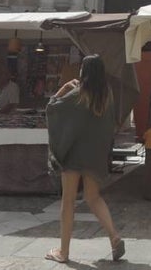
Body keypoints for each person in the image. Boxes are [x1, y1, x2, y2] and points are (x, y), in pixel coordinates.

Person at [45, 54, 124, 264]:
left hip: (73, 155)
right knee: (93, 197)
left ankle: (63, 251)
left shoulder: (78, 94)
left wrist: (63, 88)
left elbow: (53, 108)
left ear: (84, 71)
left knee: (68, 201)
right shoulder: (107, 95)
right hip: (95, 155)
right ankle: (114, 237)